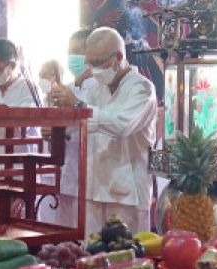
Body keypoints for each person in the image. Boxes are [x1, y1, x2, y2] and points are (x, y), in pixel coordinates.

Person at [48, 27, 159, 234]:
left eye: (98, 63)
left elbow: (121, 124)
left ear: (118, 57)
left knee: (125, 255)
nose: (93, 69)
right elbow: (80, 125)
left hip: (127, 191)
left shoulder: (142, 88)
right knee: (91, 255)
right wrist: (59, 124)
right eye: (90, 63)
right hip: (94, 186)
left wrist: (79, 106)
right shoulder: (95, 89)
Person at [38, 29, 94, 226]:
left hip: (92, 175)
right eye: (70, 52)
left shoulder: (101, 88)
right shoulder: (67, 87)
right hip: (66, 171)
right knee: (64, 233)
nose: (73, 57)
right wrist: (51, 132)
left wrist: (76, 103)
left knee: (87, 232)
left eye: (78, 51)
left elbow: (102, 122)